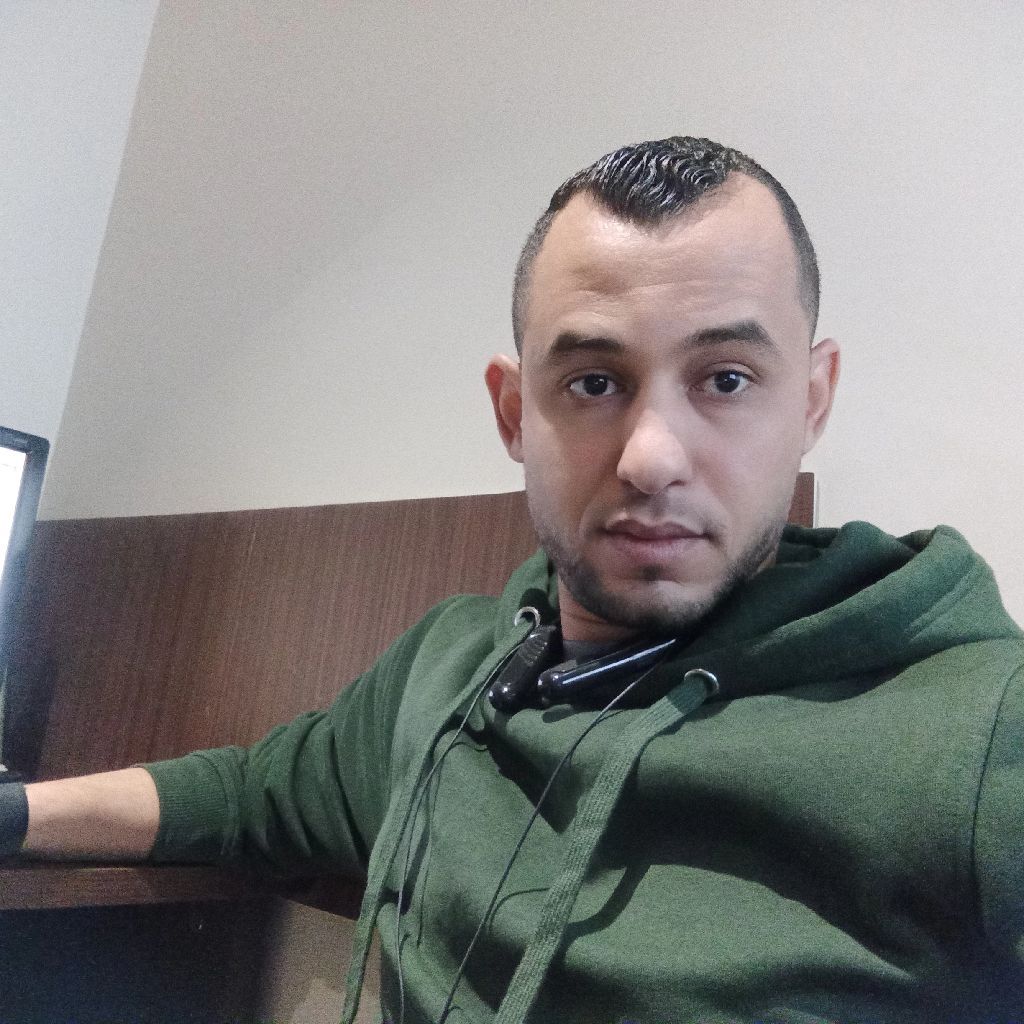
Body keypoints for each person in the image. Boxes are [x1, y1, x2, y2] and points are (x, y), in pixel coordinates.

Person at [3, 137, 1023, 1023]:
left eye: (725, 379)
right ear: (511, 412)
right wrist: (18, 814)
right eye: (593, 382)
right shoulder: (450, 670)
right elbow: (249, 795)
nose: (652, 457)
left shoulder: (979, 727)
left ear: (812, 400)